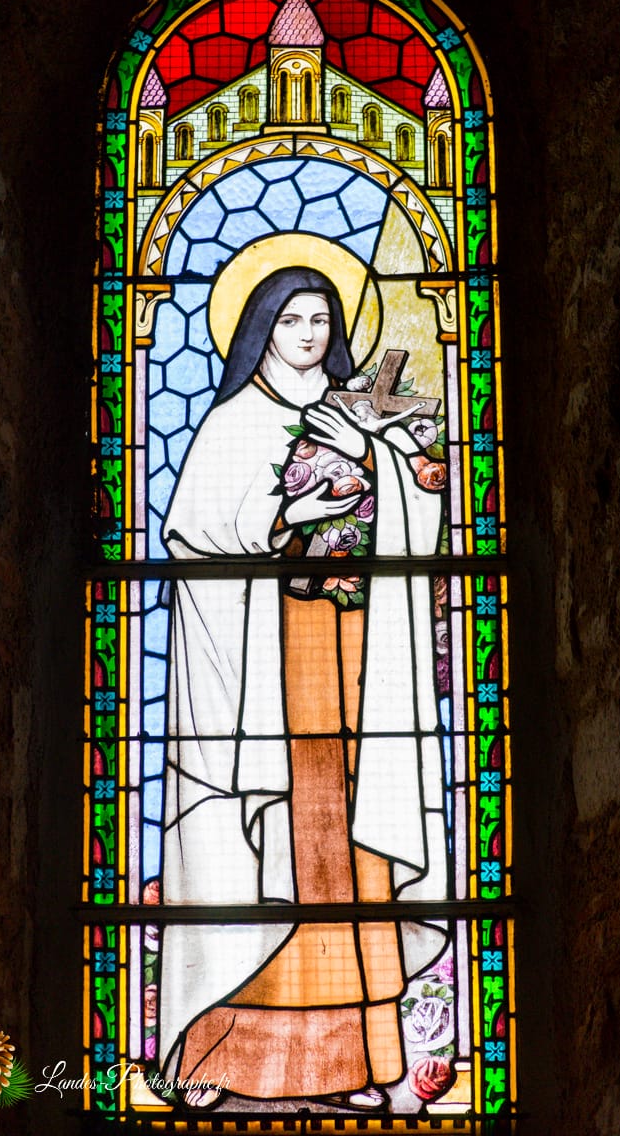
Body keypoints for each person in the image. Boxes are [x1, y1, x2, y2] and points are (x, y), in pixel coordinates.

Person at [158, 266, 448, 1110]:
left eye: (323, 318)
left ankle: (355, 1062)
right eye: (293, 319)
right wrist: (288, 517)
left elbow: (423, 521)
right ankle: (225, 1056)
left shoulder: (368, 418)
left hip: (355, 659)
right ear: (260, 330)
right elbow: (196, 534)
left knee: (346, 856)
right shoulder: (232, 426)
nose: (312, 334)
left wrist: (366, 459)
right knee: (276, 854)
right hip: (268, 664)